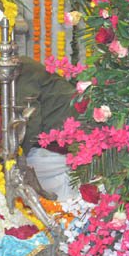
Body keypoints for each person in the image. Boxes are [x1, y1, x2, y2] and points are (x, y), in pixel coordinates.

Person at [13, 56, 80, 203]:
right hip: (60, 137)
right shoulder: (18, 67)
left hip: (65, 140)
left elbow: (29, 122)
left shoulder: (18, 70)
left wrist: (13, 156)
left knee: (17, 170)